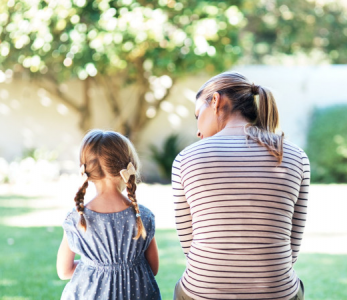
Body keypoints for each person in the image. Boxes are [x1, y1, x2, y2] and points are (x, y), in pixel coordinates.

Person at [172, 71, 310, 300]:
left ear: (215, 101)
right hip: (276, 292)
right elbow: (292, 246)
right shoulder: (295, 156)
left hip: (204, 291)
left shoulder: (186, 158)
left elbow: (189, 244)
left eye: (198, 115)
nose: (198, 130)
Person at [56, 129, 161, 300]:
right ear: (129, 166)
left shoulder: (77, 219)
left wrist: (94, 267)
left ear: (86, 170)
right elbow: (153, 268)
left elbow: (64, 271)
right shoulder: (143, 216)